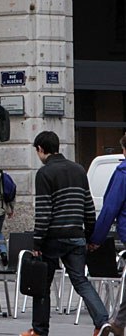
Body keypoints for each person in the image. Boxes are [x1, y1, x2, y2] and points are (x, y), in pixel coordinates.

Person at [20, 130, 110, 336]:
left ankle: (39, 330)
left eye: (37, 151)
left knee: (42, 284)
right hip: (76, 235)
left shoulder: (44, 174)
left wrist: (37, 243)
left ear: (41, 150)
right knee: (80, 281)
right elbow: (88, 206)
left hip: (53, 237)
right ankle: (102, 321)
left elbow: (44, 210)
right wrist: (89, 236)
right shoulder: (79, 170)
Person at [89, 134, 126, 336]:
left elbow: (110, 208)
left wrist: (96, 239)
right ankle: (119, 322)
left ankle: (119, 322)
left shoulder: (122, 173)